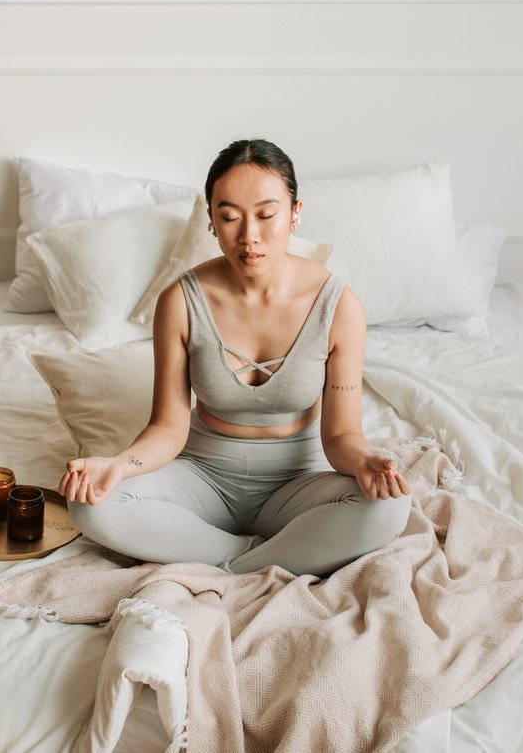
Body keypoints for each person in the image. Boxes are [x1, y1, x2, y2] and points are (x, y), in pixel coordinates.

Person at [58, 139, 411, 577]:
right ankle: (256, 558)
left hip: (298, 484)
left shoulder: (339, 306)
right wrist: (117, 465)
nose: (249, 237)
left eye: (266, 215)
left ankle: (222, 559)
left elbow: (340, 436)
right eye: (229, 217)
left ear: (295, 212)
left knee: (391, 508)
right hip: (203, 477)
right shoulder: (181, 301)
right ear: (210, 219)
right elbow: (168, 427)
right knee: (90, 504)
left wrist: (365, 461)